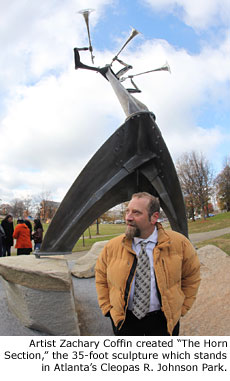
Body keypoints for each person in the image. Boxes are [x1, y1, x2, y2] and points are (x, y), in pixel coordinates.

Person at [95, 192, 200, 336]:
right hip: (125, 321)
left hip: (163, 322)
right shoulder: (112, 247)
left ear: (154, 217)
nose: (128, 218)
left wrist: (181, 309)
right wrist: (107, 308)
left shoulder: (179, 244)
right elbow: (101, 277)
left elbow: (192, 277)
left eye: (136, 213)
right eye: (127, 211)